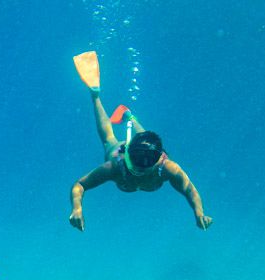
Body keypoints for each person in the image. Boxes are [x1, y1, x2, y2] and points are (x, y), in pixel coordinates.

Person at [69, 52, 212, 232]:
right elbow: (80, 185)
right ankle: (95, 95)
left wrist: (199, 212)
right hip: (120, 151)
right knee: (108, 139)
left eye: (143, 170)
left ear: (158, 161)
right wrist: (76, 209)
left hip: (144, 150)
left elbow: (190, 189)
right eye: (135, 168)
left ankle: (129, 116)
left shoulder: (167, 167)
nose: (138, 174)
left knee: (146, 139)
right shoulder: (114, 167)